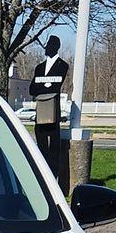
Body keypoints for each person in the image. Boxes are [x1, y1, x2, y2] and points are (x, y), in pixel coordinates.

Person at [30, 35, 70, 176]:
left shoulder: (62, 65)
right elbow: (32, 89)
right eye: (47, 44)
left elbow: (55, 86)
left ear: (56, 47)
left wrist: (44, 86)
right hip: (40, 111)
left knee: (54, 146)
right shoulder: (39, 67)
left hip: (52, 111)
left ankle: (53, 175)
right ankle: (42, 174)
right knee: (41, 144)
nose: (47, 47)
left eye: (51, 44)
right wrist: (45, 86)